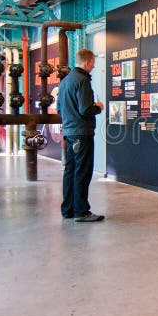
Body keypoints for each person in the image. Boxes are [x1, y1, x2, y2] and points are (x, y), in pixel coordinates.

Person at [57, 49, 104, 222]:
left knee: (70, 171)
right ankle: (81, 211)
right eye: (93, 63)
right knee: (82, 172)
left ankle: (68, 209)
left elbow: (60, 109)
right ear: (87, 63)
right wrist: (98, 107)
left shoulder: (65, 81)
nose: (94, 66)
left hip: (69, 133)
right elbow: (85, 109)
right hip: (81, 133)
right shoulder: (83, 81)